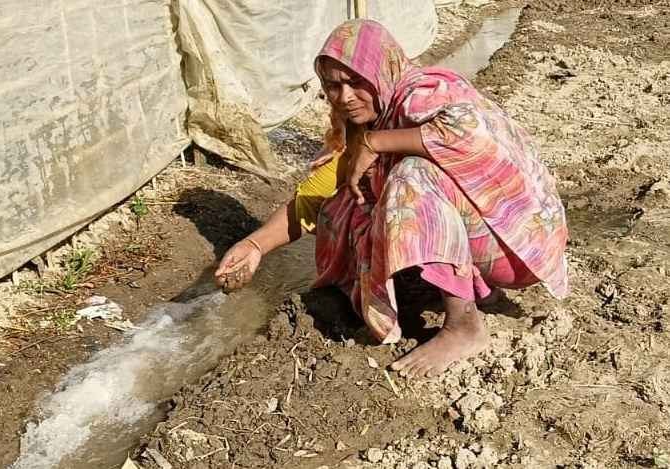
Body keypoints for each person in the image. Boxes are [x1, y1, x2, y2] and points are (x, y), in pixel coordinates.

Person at [214, 19, 569, 379]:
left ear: (381, 71)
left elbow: (471, 136)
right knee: (345, 205)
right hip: (490, 236)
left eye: (356, 82)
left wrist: (376, 143)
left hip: (519, 245)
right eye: (334, 86)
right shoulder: (367, 122)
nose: (345, 97)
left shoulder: (422, 93)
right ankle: (474, 288)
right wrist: (254, 246)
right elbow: (313, 197)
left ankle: (464, 327)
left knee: (410, 176)